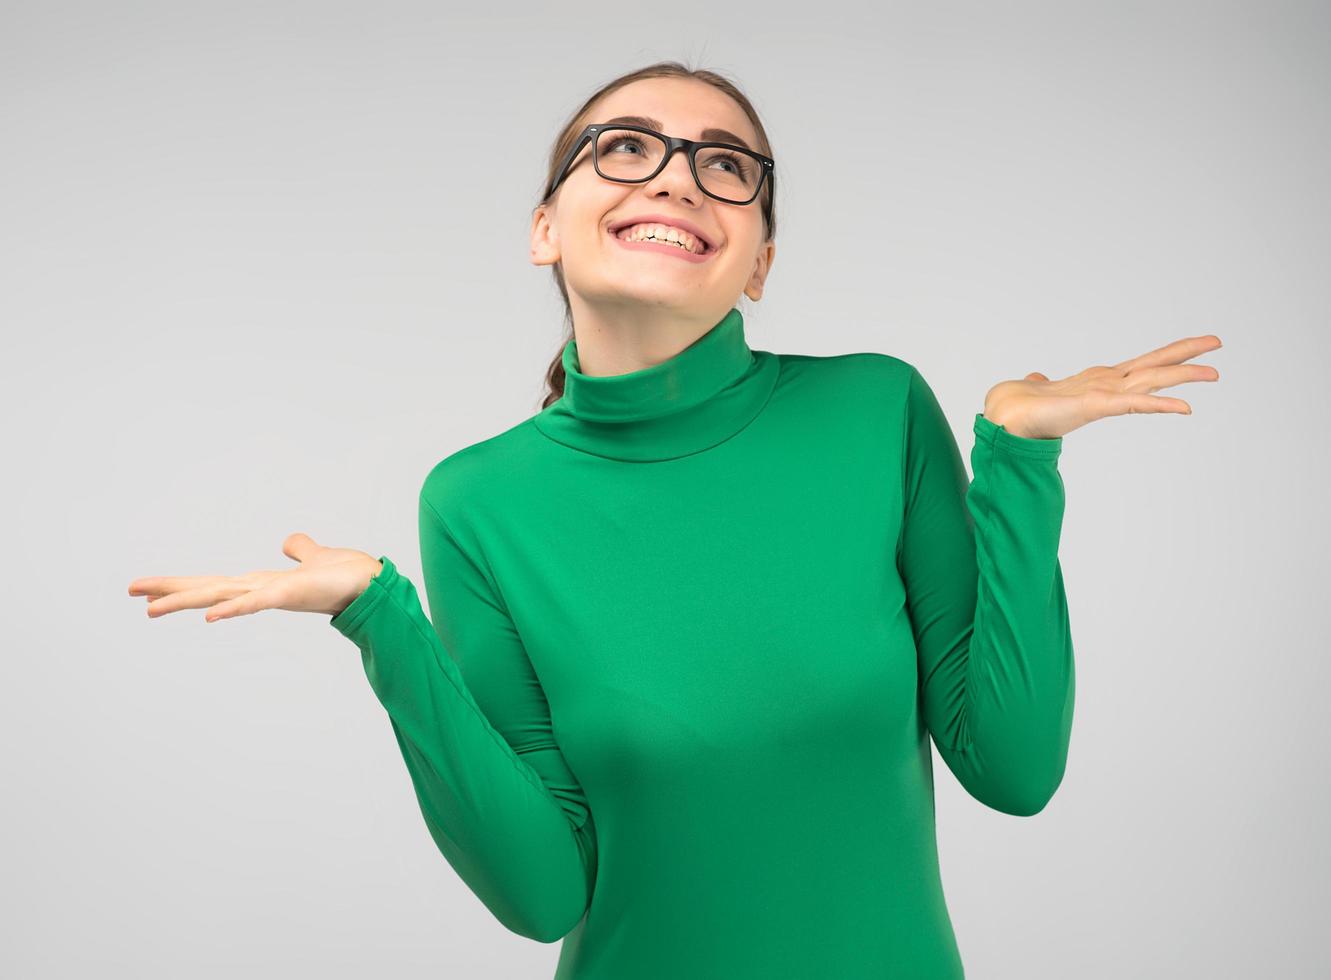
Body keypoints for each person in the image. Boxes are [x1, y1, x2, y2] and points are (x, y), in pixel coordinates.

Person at [129, 61, 1221, 979]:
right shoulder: (476, 498)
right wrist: (380, 621)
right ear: (544, 229)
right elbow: (542, 889)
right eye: (625, 148)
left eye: (725, 164)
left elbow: (1013, 767)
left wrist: (1019, 460)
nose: (679, 177)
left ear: (760, 262)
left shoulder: (876, 409)